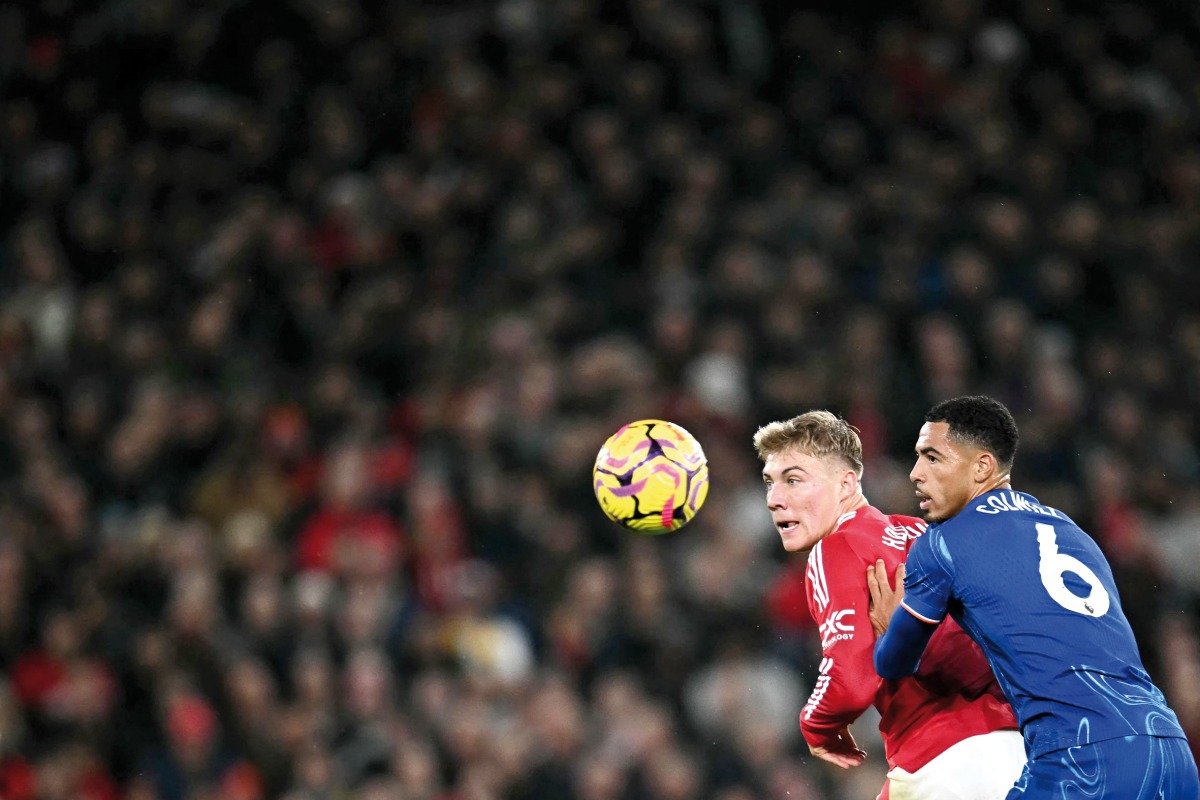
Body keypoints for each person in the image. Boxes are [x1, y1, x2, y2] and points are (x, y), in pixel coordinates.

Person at [871, 395, 1199, 799]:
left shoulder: (943, 545)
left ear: (982, 467)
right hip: (1171, 750)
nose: (915, 473)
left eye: (933, 458)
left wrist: (890, 625)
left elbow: (894, 661)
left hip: (1082, 760)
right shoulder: (1076, 534)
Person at [753, 411, 1024, 800]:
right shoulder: (925, 533)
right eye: (769, 483)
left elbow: (850, 680)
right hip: (1017, 749)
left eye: (793, 480)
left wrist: (817, 726)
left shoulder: (838, 547)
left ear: (846, 483)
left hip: (945, 760)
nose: (775, 500)